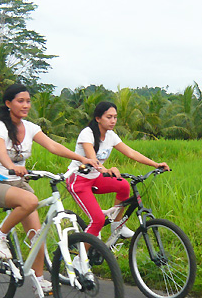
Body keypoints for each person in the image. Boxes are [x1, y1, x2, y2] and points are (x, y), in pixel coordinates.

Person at [0, 84, 99, 296]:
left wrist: (82, 158)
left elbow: (53, 146)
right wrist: (11, 166)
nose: (26, 105)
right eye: (20, 101)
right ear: (8, 104)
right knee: (30, 201)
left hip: (18, 183)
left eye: (28, 101)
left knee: (37, 235)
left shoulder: (31, 128)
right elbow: (0, 153)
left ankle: (39, 278)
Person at [66, 101, 170, 239]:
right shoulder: (87, 134)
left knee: (123, 186)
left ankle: (117, 226)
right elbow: (92, 159)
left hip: (95, 177)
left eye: (115, 117)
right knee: (98, 221)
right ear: (98, 118)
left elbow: (131, 153)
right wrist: (106, 170)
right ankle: (80, 260)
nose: (113, 121)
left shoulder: (111, 135)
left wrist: (155, 164)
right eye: (109, 117)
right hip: (78, 180)